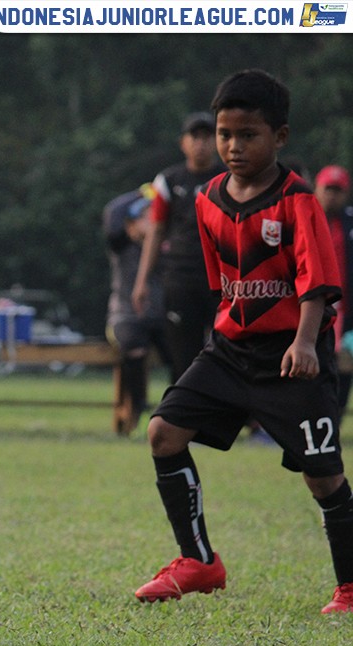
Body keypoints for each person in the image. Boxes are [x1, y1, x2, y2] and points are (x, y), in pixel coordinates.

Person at [133, 69, 353, 615]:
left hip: (292, 356)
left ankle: (350, 586)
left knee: (322, 476)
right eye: (226, 134)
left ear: (278, 137)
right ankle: (199, 561)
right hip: (231, 351)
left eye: (247, 135)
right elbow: (222, 285)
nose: (232, 146)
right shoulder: (207, 200)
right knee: (163, 432)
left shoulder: (298, 199)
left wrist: (305, 343)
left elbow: (318, 283)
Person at [132, 111, 224, 383]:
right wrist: (142, 281)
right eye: (195, 137)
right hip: (181, 278)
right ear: (183, 142)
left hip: (221, 278)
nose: (201, 144)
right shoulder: (169, 181)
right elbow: (156, 231)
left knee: (230, 350)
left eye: (208, 137)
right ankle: (184, 421)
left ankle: (237, 418)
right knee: (183, 356)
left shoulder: (228, 179)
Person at [104, 186, 170, 436]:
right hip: (126, 316)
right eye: (143, 217)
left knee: (182, 355)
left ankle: (175, 415)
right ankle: (139, 410)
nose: (148, 221)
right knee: (134, 349)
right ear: (130, 225)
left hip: (162, 316)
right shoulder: (121, 246)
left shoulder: (165, 247)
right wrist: (146, 192)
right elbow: (113, 212)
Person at [314, 164, 353, 417]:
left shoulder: (349, 223)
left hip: (347, 311)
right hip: (310, 308)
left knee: (345, 363)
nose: (332, 195)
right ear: (317, 188)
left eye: (338, 190)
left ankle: (334, 418)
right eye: (328, 189)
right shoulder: (304, 218)